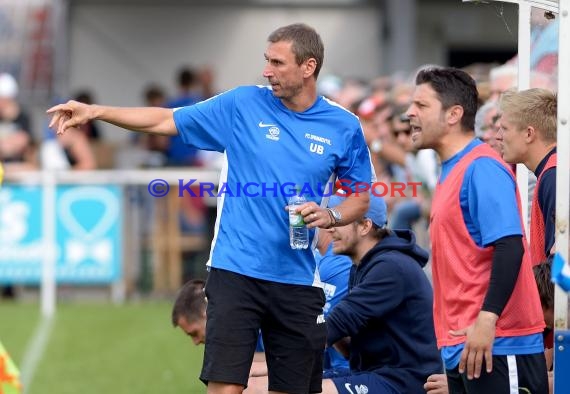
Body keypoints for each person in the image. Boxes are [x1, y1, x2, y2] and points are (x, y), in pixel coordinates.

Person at [48, 23, 372, 394]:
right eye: (266, 61)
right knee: (225, 388)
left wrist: (331, 216)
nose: (267, 71)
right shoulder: (242, 104)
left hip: (297, 278)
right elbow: (165, 119)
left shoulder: (344, 126)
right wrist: (96, 111)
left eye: (278, 63)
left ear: (308, 67)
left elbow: (360, 196)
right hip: (235, 270)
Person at [406, 67, 547, 393]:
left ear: (454, 114)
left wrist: (487, 319)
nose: (409, 114)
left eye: (421, 106)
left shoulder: (481, 166)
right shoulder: (453, 169)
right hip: (464, 344)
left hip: (497, 342)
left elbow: (510, 245)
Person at [320, 194, 441, 393]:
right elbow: (350, 347)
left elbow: (338, 323)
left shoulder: (390, 267)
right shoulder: (360, 266)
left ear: (365, 226)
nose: (329, 228)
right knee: (263, 384)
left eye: (338, 220)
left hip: (405, 381)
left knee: (283, 385)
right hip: (376, 374)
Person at [497, 88, 557, 265]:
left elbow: (560, 264)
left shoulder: (553, 177)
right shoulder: (553, 172)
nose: (498, 137)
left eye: (504, 129)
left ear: (529, 134)